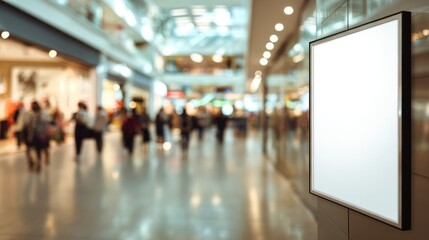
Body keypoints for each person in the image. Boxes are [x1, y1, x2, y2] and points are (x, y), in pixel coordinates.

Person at [23, 101, 50, 171]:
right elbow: (27, 124)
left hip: (39, 134)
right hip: (31, 134)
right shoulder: (30, 114)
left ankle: (39, 163)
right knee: (28, 150)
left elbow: (45, 124)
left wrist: (43, 133)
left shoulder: (42, 114)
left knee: (39, 150)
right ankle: (31, 161)